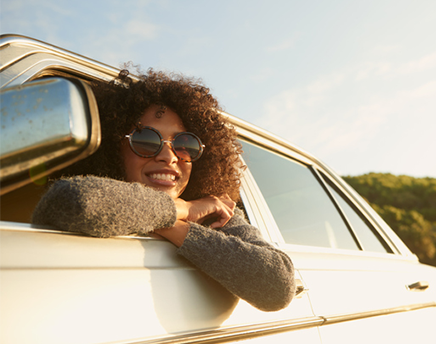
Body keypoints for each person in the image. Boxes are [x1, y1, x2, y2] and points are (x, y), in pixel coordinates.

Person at [32, 68, 296, 312]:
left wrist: (178, 226)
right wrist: (183, 209)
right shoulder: (197, 208)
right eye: (146, 140)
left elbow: (279, 286)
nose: (169, 156)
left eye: (185, 144)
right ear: (113, 147)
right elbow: (75, 200)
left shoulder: (217, 216)